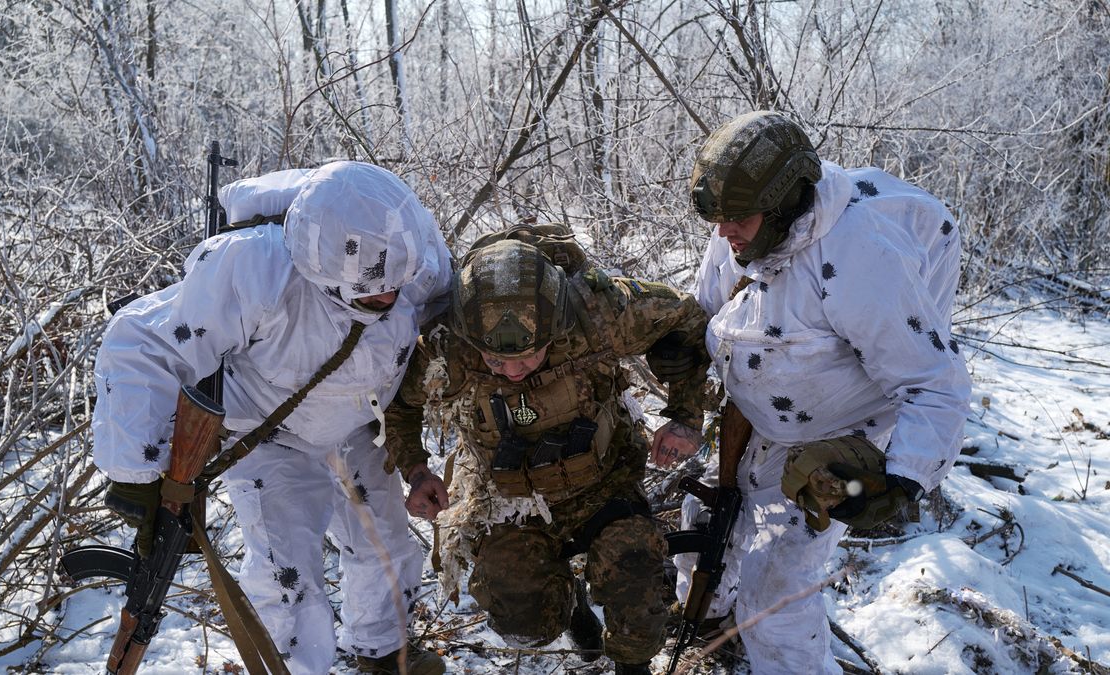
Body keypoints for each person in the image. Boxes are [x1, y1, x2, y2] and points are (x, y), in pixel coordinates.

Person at [91, 162, 452, 675]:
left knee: (386, 550)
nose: (389, 300)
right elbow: (141, 342)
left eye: (396, 288)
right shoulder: (254, 269)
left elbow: (451, 319)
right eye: (373, 295)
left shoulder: (413, 258)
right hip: (268, 432)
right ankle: (293, 668)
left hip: (359, 424)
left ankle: (383, 655)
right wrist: (137, 473)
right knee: (289, 581)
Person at [661, 111, 972, 674]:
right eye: (716, 218)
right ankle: (710, 627)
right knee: (704, 520)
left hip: (842, 435)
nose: (723, 231)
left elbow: (936, 384)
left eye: (737, 218)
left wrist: (902, 480)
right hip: (759, 417)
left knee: (775, 594)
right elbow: (711, 307)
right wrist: (681, 344)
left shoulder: (861, 261)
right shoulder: (738, 233)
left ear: (784, 204)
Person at [382, 228, 711, 675]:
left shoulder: (597, 312)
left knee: (640, 601)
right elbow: (399, 403)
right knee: (523, 622)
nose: (513, 372)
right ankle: (571, 605)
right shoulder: (449, 347)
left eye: (528, 357)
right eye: (496, 362)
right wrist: (417, 471)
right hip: (507, 501)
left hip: (603, 485)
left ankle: (631, 669)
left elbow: (688, 318)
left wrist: (686, 415)